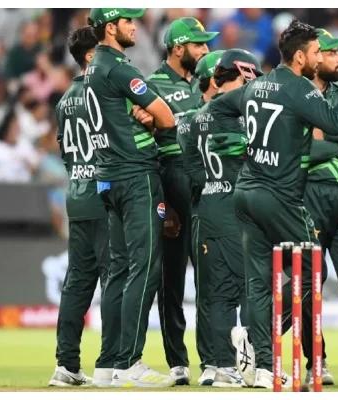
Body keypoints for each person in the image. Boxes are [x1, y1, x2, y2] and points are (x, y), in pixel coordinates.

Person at [215, 19, 338, 389]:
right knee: (312, 270)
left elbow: (216, 110)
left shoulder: (256, 85)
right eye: (316, 52)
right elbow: (336, 124)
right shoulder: (299, 88)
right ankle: (264, 339)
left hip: (246, 193)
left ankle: (264, 366)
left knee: (260, 282)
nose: (319, 58)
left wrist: (242, 142)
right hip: (280, 197)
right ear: (300, 57)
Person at [84, 8, 176, 388]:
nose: (134, 26)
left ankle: (107, 364)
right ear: (111, 27)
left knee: (119, 271)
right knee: (145, 267)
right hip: (135, 176)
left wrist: (137, 115)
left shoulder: (92, 69)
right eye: (127, 21)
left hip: (108, 178)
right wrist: (150, 119)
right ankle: (129, 362)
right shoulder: (119, 68)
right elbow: (167, 117)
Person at [146, 16, 218, 386]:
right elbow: (147, 149)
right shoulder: (151, 85)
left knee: (210, 277)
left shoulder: (208, 81)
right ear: (177, 48)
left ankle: (214, 360)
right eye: (198, 44)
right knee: (171, 280)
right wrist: (164, 204)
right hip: (171, 178)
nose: (205, 50)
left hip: (205, 180)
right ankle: (178, 362)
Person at [189, 48, 263, 388]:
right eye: (253, 76)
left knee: (218, 294)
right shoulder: (238, 113)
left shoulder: (196, 118)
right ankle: (252, 363)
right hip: (236, 210)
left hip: (208, 208)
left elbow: (191, 170)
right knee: (248, 289)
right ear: (244, 74)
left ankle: (221, 366)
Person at [292, 28, 338, 387]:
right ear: (314, 57)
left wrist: (326, 136)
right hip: (308, 198)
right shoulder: (295, 93)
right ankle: (315, 361)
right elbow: (304, 151)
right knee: (309, 285)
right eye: (331, 52)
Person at [48, 26, 106, 387]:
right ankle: (113, 364)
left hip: (77, 194)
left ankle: (66, 365)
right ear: (91, 55)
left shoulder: (64, 99)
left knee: (76, 284)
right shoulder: (102, 90)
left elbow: (65, 151)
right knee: (115, 280)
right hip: (104, 195)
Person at [176, 48, 224, 386]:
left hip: (232, 212)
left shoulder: (239, 115)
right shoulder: (193, 119)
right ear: (213, 81)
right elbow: (192, 171)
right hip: (202, 210)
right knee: (208, 290)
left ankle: (240, 358)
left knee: (237, 289)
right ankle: (211, 361)